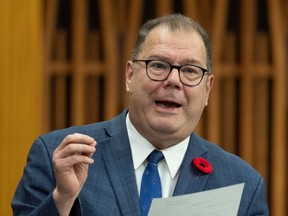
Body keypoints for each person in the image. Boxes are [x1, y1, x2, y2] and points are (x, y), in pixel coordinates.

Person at [12, 13, 269, 216]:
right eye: (158, 65)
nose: (173, 80)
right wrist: (61, 199)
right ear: (129, 76)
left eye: (190, 70)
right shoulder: (60, 156)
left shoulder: (241, 184)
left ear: (208, 89)